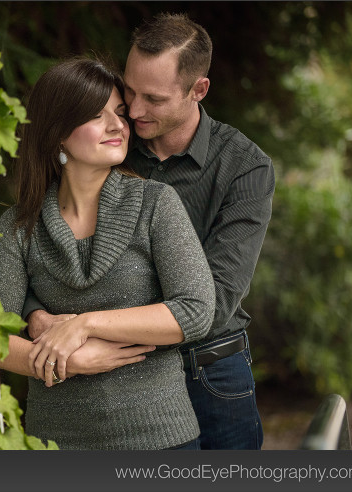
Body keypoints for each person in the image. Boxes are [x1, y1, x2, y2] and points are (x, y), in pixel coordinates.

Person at [22, 13, 274, 450]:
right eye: (130, 92)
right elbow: (43, 245)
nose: (134, 111)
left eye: (153, 99)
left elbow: (208, 306)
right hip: (120, 383)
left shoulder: (245, 168)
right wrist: (36, 313)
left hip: (210, 370)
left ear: (199, 90)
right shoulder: (107, 144)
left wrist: (84, 329)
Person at [0, 56, 215, 450]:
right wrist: (68, 364)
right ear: (58, 133)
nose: (117, 126)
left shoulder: (156, 203)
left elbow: (195, 311)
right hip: (55, 444)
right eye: (97, 115)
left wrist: (84, 325)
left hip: (160, 440)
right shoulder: (17, 227)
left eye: (120, 113)